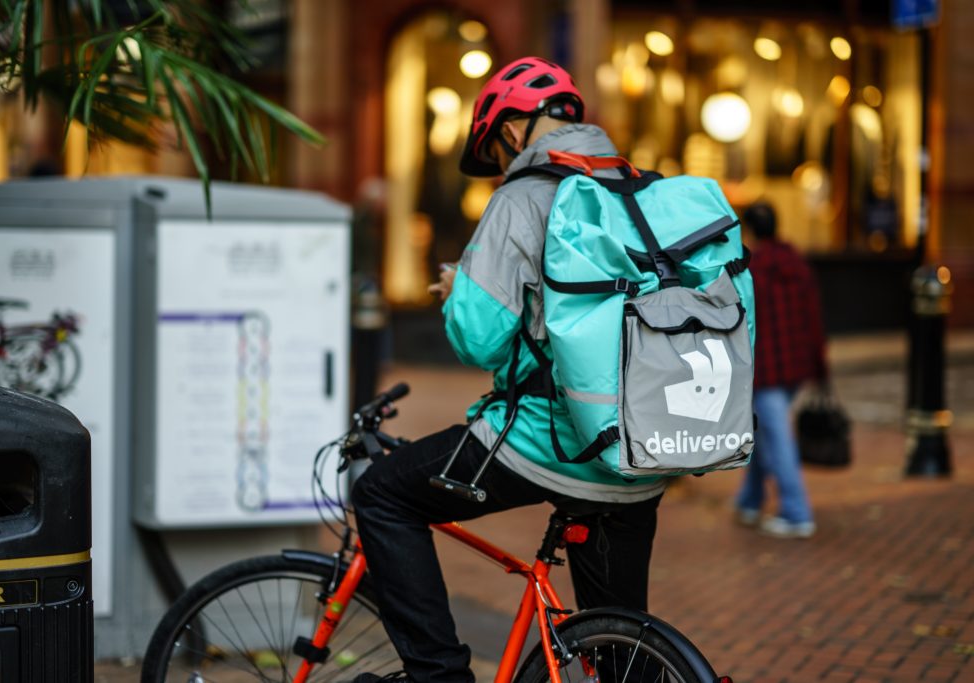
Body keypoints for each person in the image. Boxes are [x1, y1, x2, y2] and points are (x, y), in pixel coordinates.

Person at [350, 57, 666, 683]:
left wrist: (460, 291)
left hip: (548, 439)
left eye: (496, 145)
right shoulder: (641, 191)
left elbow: (479, 341)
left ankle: (438, 675)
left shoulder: (522, 196)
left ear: (516, 128)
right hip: (640, 449)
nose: (499, 161)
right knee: (623, 644)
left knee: (382, 495)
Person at [733, 201, 828, 539]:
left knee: (776, 439)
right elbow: (814, 318)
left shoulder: (750, 271)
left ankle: (796, 513)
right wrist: (820, 367)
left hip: (766, 371)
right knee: (764, 432)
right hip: (795, 369)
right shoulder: (797, 263)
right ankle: (749, 500)